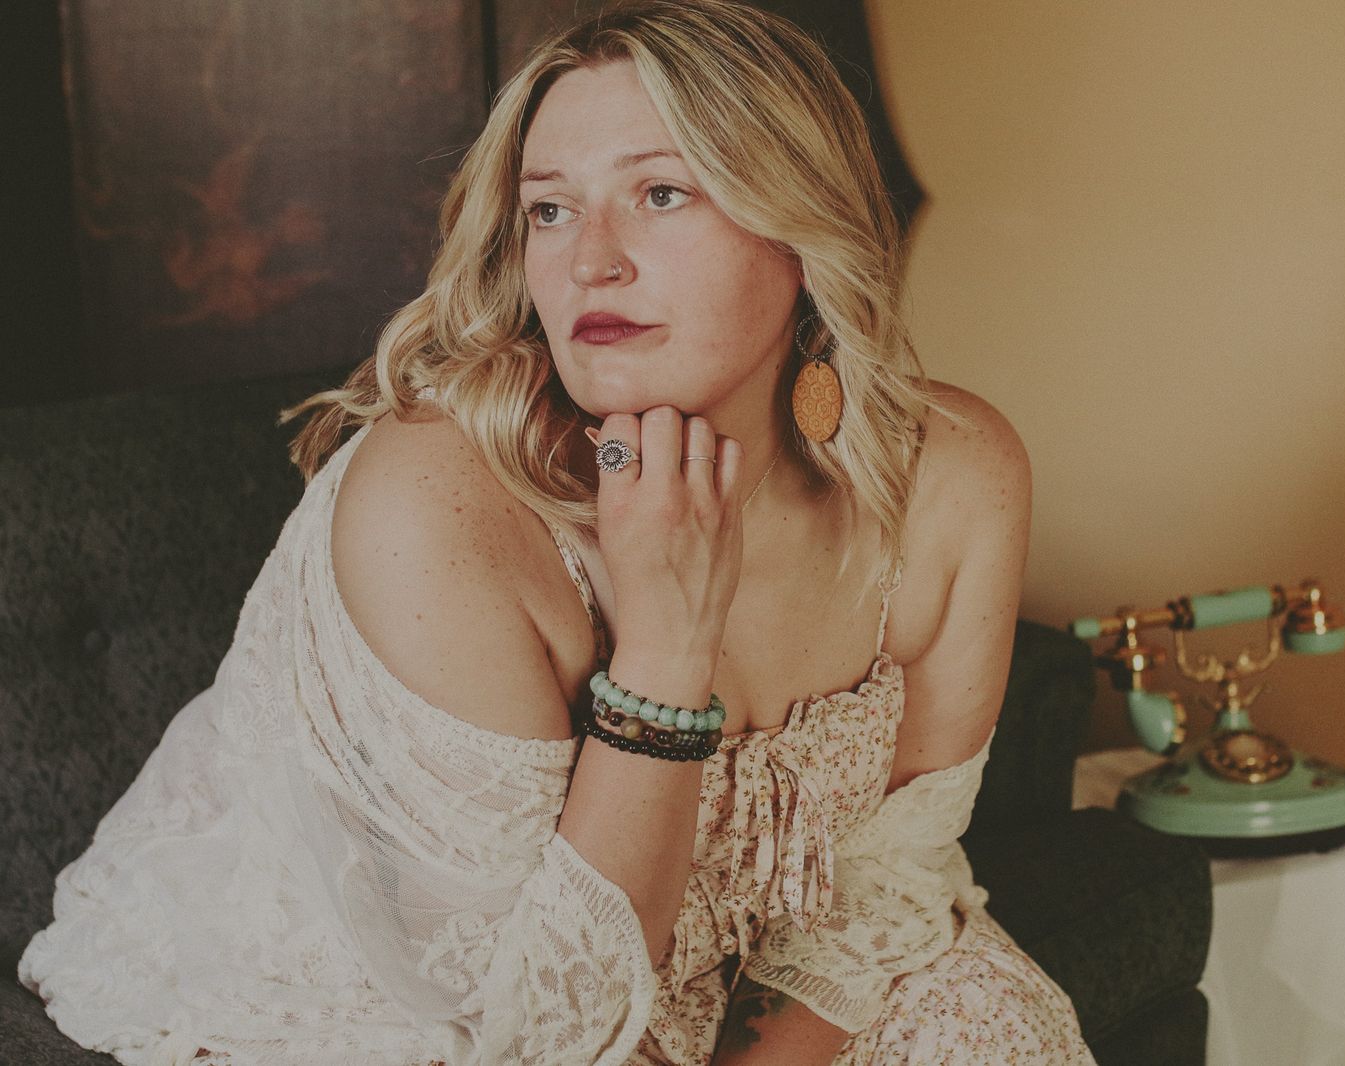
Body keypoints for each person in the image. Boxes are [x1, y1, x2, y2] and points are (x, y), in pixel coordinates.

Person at [18, 1, 1095, 1063]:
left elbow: (888, 869)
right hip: (441, 1011)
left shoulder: (952, 473)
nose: (590, 263)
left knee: (991, 1027)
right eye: (549, 210)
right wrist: (666, 651)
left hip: (748, 978)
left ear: (803, 229)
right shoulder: (436, 507)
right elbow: (542, 1035)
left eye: (660, 194)